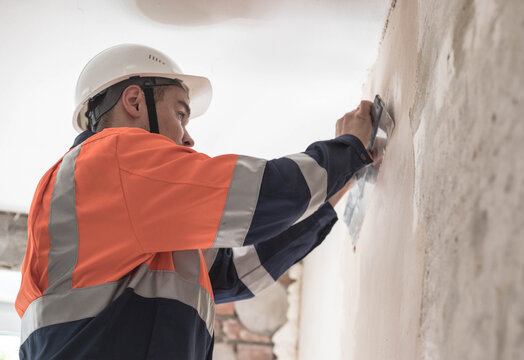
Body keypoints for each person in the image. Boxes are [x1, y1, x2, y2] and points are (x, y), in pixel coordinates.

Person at [16, 44, 375, 359]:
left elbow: (233, 272)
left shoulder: (123, 213)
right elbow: (258, 197)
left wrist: (328, 197)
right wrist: (347, 149)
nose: (188, 137)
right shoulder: (110, 159)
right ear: (135, 102)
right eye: (181, 113)